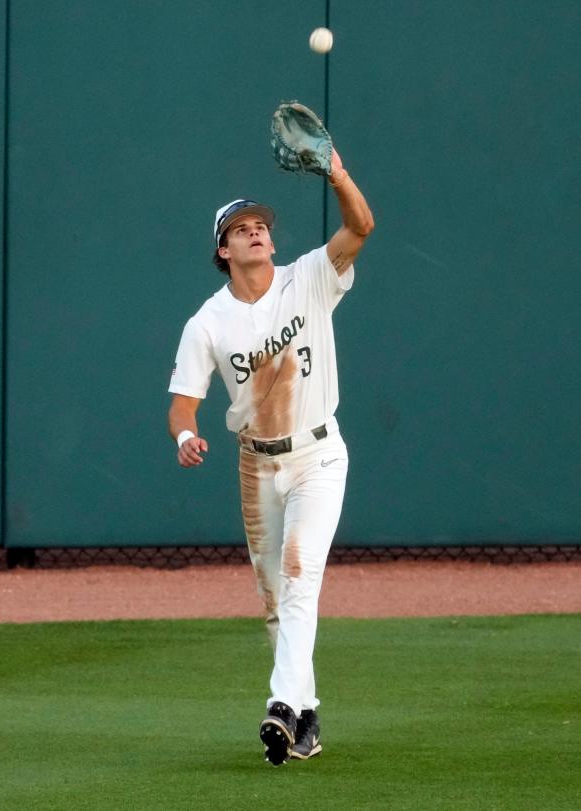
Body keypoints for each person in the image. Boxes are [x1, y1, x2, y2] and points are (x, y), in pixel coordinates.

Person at [166, 148, 373, 766]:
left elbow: (361, 227)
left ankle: (280, 705)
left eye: (260, 225)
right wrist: (185, 437)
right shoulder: (208, 323)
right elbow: (182, 403)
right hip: (256, 467)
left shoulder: (307, 276)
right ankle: (305, 719)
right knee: (277, 601)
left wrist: (336, 173)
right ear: (223, 250)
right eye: (241, 228)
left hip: (318, 456)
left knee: (299, 574)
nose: (256, 231)